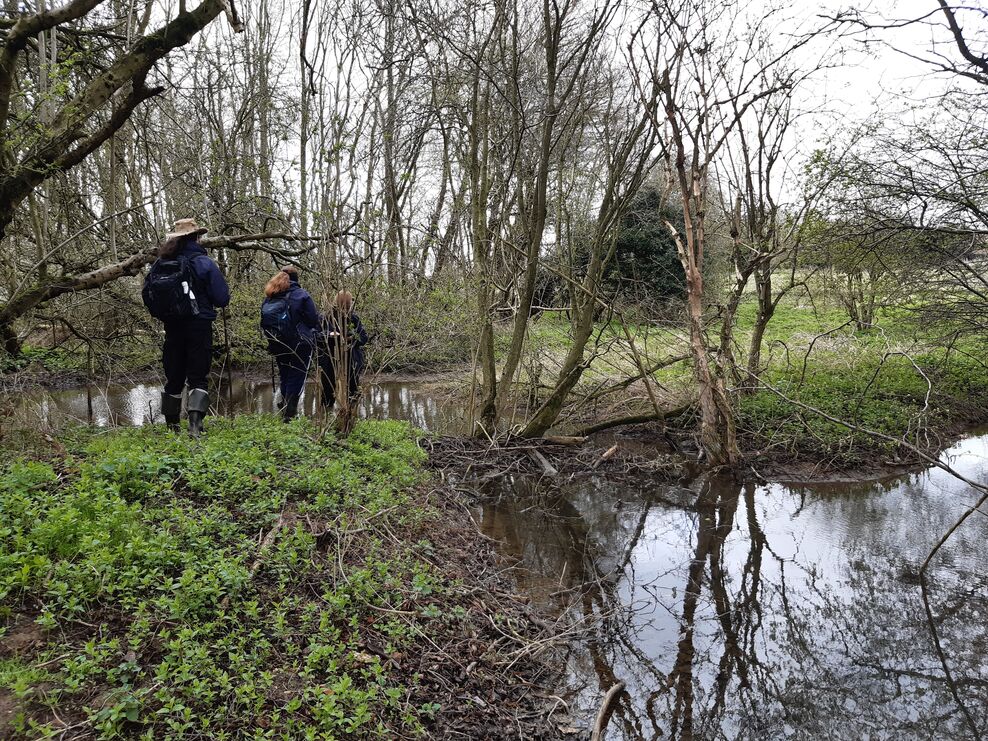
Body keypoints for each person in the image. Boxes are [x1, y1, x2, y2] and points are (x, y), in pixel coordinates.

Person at [142, 218, 230, 437]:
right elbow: (222, 298)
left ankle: (172, 427)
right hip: (199, 325)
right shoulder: (203, 262)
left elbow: (147, 294)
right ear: (197, 237)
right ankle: (194, 426)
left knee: (174, 376)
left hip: (172, 326)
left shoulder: (161, 263)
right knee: (198, 375)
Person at [261, 266, 321, 421]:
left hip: (277, 343)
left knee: (285, 374)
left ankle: (285, 406)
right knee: (297, 375)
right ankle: (289, 413)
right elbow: (312, 320)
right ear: (296, 278)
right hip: (300, 343)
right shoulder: (301, 295)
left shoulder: (270, 296)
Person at [317, 290, 368, 411]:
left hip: (351, 358)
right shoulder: (326, 317)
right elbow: (317, 336)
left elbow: (363, 337)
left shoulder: (353, 318)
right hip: (330, 357)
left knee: (352, 388)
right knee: (328, 387)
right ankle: (327, 412)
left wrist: (350, 338)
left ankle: (351, 412)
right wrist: (330, 335)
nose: (346, 308)